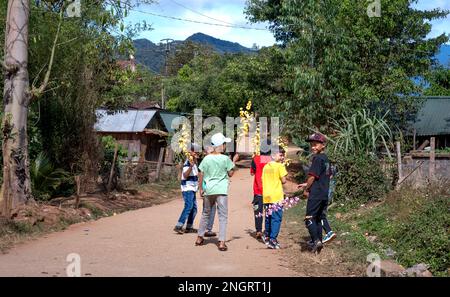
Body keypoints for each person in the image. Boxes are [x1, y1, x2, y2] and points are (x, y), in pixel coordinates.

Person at [195, 133, 236, 251]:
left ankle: (199, 237)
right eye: (224, 144)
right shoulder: (225, 159)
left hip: (209, 190)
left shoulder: (206, 158)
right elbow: (230, 173)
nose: (224, 146)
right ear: (220, 145)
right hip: (221, 190)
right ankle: (222, 242)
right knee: (223, 216)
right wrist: (234, 161)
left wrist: (201, 188)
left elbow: (201, 173)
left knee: (205, 213)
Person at [298, 133, 331, 254]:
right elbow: (321, 176)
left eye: (315, 144)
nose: (313, 147)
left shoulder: (317, 159)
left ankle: (316, 240)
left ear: (323, 145)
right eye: (311, 145)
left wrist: (307, 189)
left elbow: (312, 177)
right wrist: (305, 184)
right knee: (317, 219)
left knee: (309, 219)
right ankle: (319, 245)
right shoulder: (326, 159)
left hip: (316, 194)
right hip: (323, 193)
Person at [261, 147, 288, 249]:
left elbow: (263, 179)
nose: (282, 157)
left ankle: (267, 236)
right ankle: (273, 239)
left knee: (268, 217)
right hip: (276, 196)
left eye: (283, 155)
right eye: (280, 155)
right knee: (276, 218)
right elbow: (284, 180)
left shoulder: (266, 167)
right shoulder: (279, 166)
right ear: (273, 155)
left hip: (267, 196)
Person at [173, 143, 200, 234]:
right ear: (190, 152)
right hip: (188, 188)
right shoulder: (188, 162)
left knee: (194, 208)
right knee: (189, 206)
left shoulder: (194, 162)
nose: (197, 153)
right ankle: (179, 225)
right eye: (195, 151)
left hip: (193, 188)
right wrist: (191, 166)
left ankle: (189, 226)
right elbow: (185, 175)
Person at [250, 142, 272, 240]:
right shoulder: (272, 160)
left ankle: (258, 230)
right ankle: (268, 231)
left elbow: (252, 173)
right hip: (270, 190)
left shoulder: (255, 159)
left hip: (258, 191)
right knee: (269, 211)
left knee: (257, 211)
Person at [202, 146, 217, 238]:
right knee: (207, 209)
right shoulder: (207, 161)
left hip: (210, 188)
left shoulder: (207, 160)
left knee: (210, 208)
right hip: (208, 188)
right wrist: (202, 189)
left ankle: (207, 229)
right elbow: (202, 175)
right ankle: (207, 229)